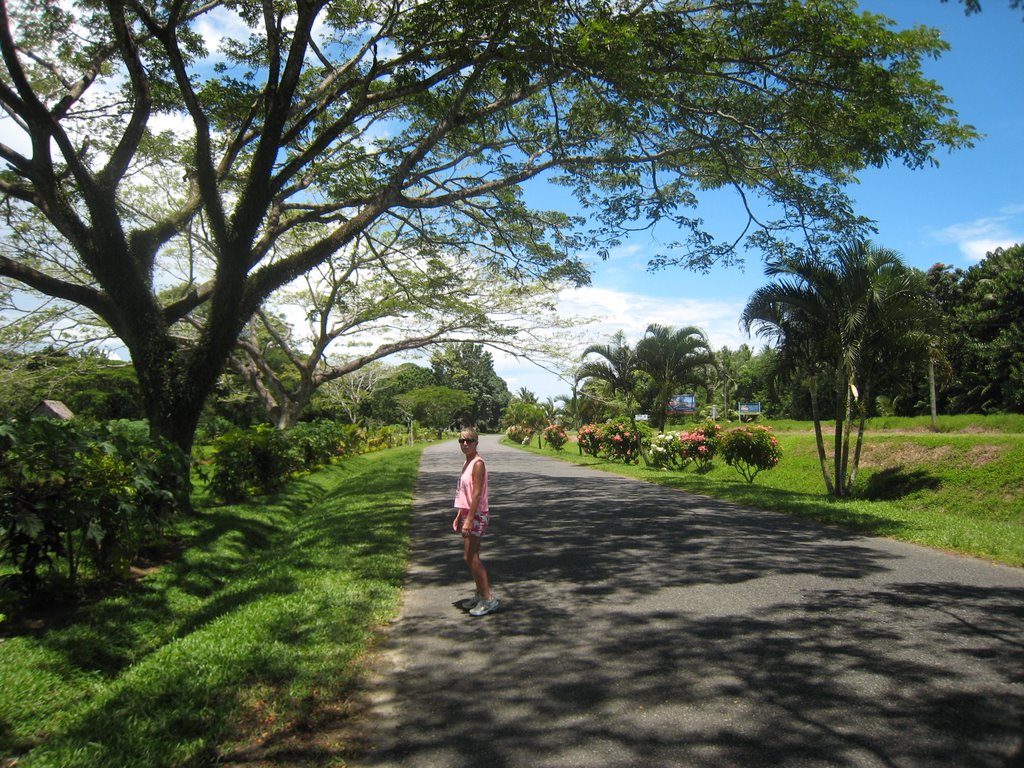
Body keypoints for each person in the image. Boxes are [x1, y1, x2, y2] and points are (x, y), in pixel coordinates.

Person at [452, 427, 498, 616]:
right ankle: (479, 594)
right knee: (473, 556)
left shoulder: (478, 463)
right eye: (462, 440)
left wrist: (469, 518)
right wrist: (459, 515)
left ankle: (488, 599)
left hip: (477, 514)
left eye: (469, 440)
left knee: (470, 557)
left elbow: (477, 493)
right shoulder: (467, 462)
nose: (465, 444)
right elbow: (464, 493)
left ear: (476, 442)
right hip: (468, 513)